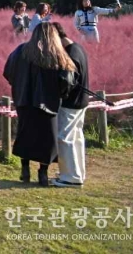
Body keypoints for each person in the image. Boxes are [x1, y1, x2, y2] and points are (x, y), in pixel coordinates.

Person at [3, 22, 76, 186]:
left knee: (25, 135)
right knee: (47, 140)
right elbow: (67, 80)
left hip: (24, 101)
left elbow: (8, 72)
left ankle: (25, 169)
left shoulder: (20, 51)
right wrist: (61, 94)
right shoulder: (58, 55)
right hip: (48, 104)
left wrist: (19, 86)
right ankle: (43, 173)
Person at [51, 23, 89, 187]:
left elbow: (67, 81)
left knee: (64, 138)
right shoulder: (78, 48)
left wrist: (59, 93)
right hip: (81, 101)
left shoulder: (70, 54)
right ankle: (77, 173)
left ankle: (70, 177)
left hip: (70, 103)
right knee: (77, 138)